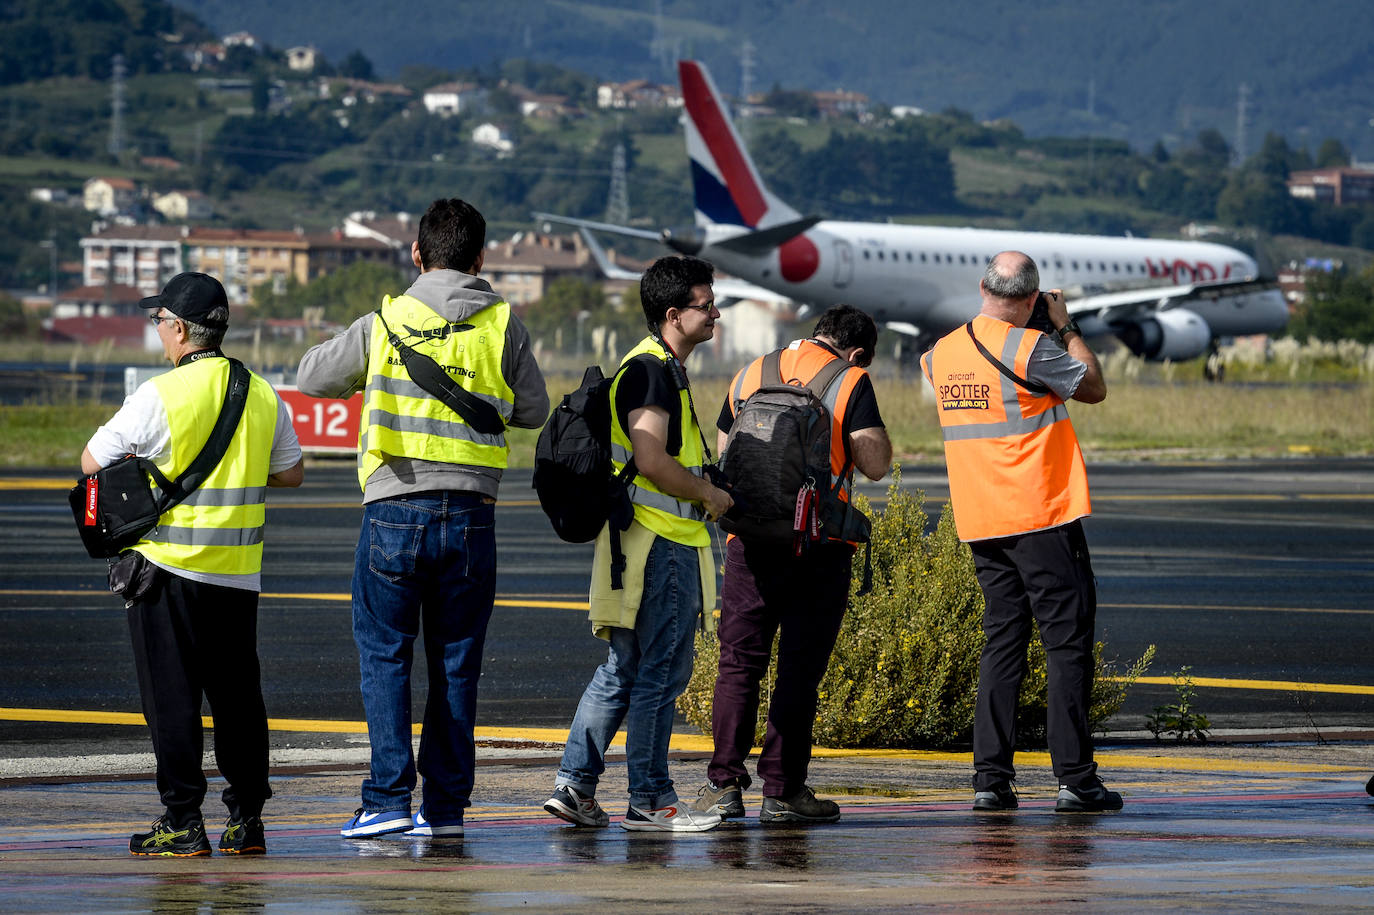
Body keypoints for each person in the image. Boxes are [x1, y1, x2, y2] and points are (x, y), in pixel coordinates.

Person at [296, 198, 548, 839]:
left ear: (416, 254)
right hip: (472, 514)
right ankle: (445, 810)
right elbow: (534, 410)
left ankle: (386, 799)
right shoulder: (505, 324)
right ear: (480, 257)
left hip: (393, 510)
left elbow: (311, 377)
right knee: (457, 664)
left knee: (385, 658)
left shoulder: (386, 320)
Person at [81, 272, 305, 856]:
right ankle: (247, 819)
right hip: (237, 575)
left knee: (172, 701)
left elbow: (91, 459)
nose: (157, 330)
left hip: (168, 573)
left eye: (159, 321)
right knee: (238, 699)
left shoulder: (159, 395)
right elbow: (291, 471)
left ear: (179, 328)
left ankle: (182, 820)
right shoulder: (261, 392)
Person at [920, 250, 1119, 813]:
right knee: (1066, 645)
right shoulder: (1034, 348)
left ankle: (990, 779)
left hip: (981, 517)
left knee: (1002, 642)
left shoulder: (940, 354)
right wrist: (1066, 326)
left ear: (982, 287)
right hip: (1041, 513)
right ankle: (1076, 780)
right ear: (1032, 298)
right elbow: (1094, 386)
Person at [543, 255, 733, 833]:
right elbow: (651, 457)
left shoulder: (648, 366)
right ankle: (651, 798)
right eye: (706, 305)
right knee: (660, 673)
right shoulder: (652, 371)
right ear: (673, 314)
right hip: (661, 543)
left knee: (623, 667)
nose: (715, 313)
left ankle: (575, 786)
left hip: (635, 543)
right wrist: (709, 493)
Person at [693, 305, 892, 825]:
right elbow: (874, 465)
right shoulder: (851, 379)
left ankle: (723, 785)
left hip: (751, 538)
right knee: (799, 670)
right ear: (857, 351)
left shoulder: (752, 371)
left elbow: (724, 447)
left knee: (739, 662)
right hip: (819, 543)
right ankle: (781, 791)